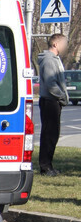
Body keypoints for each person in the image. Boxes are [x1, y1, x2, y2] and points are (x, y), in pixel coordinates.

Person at [37, 33, 70, 176]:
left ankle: (48, 165)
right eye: (64, 43)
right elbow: (51, 83)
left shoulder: (54, 59)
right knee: (49, 134)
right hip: (50, 101)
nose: (66, 46)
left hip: (53, 101)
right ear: (55, 44)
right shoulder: (49, 60)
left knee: (52, 134)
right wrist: (62, 97)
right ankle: (45, 167)